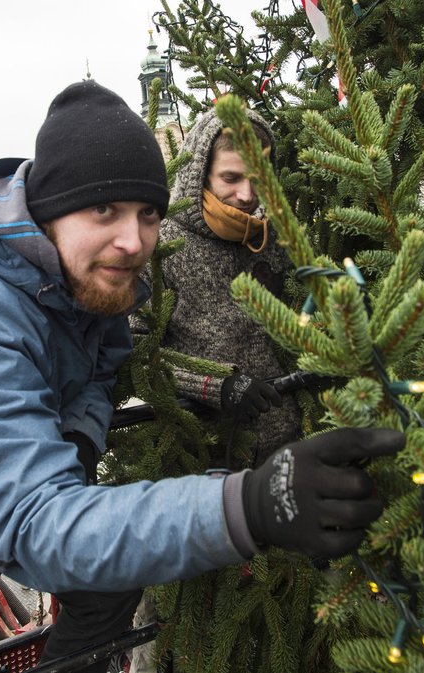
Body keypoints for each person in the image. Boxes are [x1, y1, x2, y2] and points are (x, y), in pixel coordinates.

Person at [0, 81, 404, 673]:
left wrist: (76, 437)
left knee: (110, 593)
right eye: (105, 209)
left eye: (147, 212)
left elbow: (101, 370)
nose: (133, 240)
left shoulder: (89, 274)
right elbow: (27, 522)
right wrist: (249, 504)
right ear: (49, 208)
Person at [153, 107, 301, 464]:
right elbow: (138, 354)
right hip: (205, 452)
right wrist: (216, 387)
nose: (247, 195)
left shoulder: (274, 236)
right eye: (231, 178)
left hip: (286, 441)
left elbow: (306, 311)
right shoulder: (162, 246)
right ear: (199, 173)